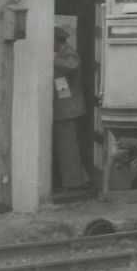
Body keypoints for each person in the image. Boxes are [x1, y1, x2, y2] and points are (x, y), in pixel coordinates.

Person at [52, 26, 90, 191]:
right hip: (65, 106)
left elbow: (72, 66)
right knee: (68, 146)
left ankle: (74, 182)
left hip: (67, 108)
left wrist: (52, 59)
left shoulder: (68, 53)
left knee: (67, 147)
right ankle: (80, 179)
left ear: (56, 41)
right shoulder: (62, 53)